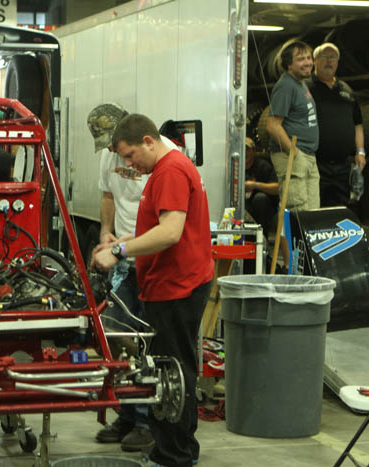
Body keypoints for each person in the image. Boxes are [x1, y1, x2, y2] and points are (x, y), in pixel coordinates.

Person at [93, 113, 213, 467]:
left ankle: (173, 457)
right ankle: (176, 450)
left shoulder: (171, 170)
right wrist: (123, 239)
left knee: (172, 375)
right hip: (171, 284)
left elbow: (171, 232)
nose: (130, 165)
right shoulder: (164, 169)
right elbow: (158, 227)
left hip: (178, 286)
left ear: (148, 141)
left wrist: (120, 251)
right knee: (171, 370)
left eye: (131, 156)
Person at [87, 103, 178, 452]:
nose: (118, 157)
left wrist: (126, 248)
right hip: (124, 255)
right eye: (113, 150)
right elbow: (108, 194)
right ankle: (126, 413)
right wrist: (106, 233)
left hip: (150, 259)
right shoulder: (111, 154)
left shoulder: (164, 160)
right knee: (115, 335)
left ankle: (145, 422)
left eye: (123, 152)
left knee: (146, 342)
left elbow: (168, 225)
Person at [305, 42, 366, 207]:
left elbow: (358, 124)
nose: (328, 61)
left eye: (332, 57)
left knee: (339, 210)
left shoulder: (346, 90)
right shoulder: (305, 87)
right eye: (324, 57)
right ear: (315, 60)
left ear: (338, 63)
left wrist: (360, 152)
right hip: (314, 163)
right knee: (314, 209)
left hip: (342, 166)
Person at [266, 40, 320, 211]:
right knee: (297, 211)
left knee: (311, 213)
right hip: (293, 156)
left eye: (309, 58)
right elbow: (272, 125)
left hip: (308, 155)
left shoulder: (301, 84)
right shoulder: (286, 86)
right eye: (300, 59)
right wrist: (294, 152)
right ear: (289, 64)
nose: (307, 63)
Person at [244, 137, 279, 238]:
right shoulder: (235, 166)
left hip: (263, 209)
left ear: (254, 151)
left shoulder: (263, 166)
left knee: (260, 198)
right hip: (244, 207)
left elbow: (277, 188)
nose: (244, 152)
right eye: (242, 149)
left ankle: (263, 237)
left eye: (247, 149)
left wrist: (255, 185)